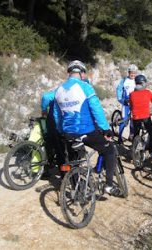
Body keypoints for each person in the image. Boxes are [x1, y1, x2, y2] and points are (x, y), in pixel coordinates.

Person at [53, 60, 119, 195]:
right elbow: (97, 109)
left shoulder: (58, 90)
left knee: (74, 162)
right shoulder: (85, 87)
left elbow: (56, 115)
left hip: (67, 133)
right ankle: (109, 185)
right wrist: (106, 129)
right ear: (82, 73)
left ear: (69, 73)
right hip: (86, 131)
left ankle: (77, 190)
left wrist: (61, 131)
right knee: (110, 150)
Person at [129, 74, 152, 159]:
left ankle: (134, 149)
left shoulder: (132, 94)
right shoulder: (148, 93)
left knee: (136, 134)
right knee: (151, 133)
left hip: (135, 118)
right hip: (145, 118)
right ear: (143, 83)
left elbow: (131, 105)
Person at [116, 64, 138, 143]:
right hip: (126, 104)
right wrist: (120, 99)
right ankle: (119, 137)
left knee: (133, 120)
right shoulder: (124, 80)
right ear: (128, 73)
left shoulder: (137, 80)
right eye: (131, 72)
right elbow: (119, 89)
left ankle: (131, 136)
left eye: (134, 73)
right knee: (124, 120)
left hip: (135, 104)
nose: (133, 74)